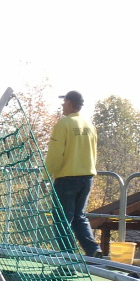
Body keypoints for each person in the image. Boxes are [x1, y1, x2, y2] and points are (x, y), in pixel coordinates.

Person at [45, 90, 102, 257]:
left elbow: (55, 154)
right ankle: (93, 250)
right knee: (79, 217)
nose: (62, 105)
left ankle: (68, 259)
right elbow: (93, 152)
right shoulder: (90, 126)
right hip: (87, 178)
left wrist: (45, 176)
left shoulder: (64, 124)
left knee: (61, 220)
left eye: (64, 102)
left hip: (67, 178)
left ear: (69, 103)